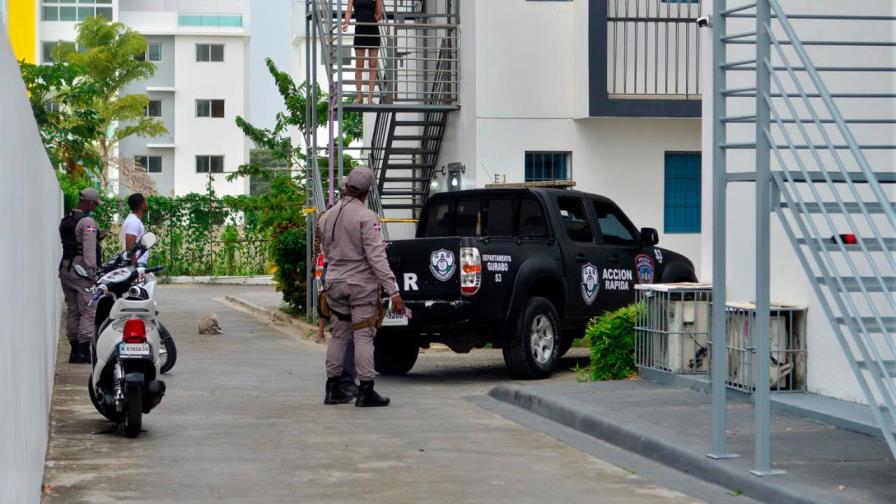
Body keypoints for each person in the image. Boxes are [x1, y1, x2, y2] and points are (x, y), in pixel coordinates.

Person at [319, 167, 405, 407]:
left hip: (334, 283)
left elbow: (325, 252)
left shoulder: (326, 216)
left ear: (346, 187)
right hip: (360, 285)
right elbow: (376, 257)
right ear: (366, 193)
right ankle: (366, 390)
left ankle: (333, 389)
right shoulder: (366, 217)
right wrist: (393, 290)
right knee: (364, 336)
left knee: (339, 336)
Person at [313, 199, 359, 397]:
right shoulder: (345, 223)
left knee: (340, 334)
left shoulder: (325, 220)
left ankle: (334, 385)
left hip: (331, 274)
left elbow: (318, 250)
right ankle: (347, 381)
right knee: (351, 333)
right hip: (345, 275)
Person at [58, 188, 103, 364]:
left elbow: (73, 242)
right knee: (89, 310)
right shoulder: (88, 222)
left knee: (73, 310)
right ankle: (84, 351)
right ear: (90, 203)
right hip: (81, 272)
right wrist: (93, 274)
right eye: (95, 204)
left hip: (65, 269)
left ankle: (74, 352)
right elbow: (89, 251)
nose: (96, 207)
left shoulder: (66, 219)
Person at [342, 0, 384, 104]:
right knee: (359, 65)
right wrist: (346, 22)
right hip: (360, 30)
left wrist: (377, 17)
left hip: (373, 30)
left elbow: (379, 14)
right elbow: (348, 11)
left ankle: (370, 98)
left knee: (373, 64)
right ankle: (358, 96)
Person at [122, 193, 149, 266]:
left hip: (138, 263)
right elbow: (130, 247)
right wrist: (134, 268)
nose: (146, 204)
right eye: (145, 201)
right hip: (138, 264)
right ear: (141, 205)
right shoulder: (133, 222)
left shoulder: (134, 220)